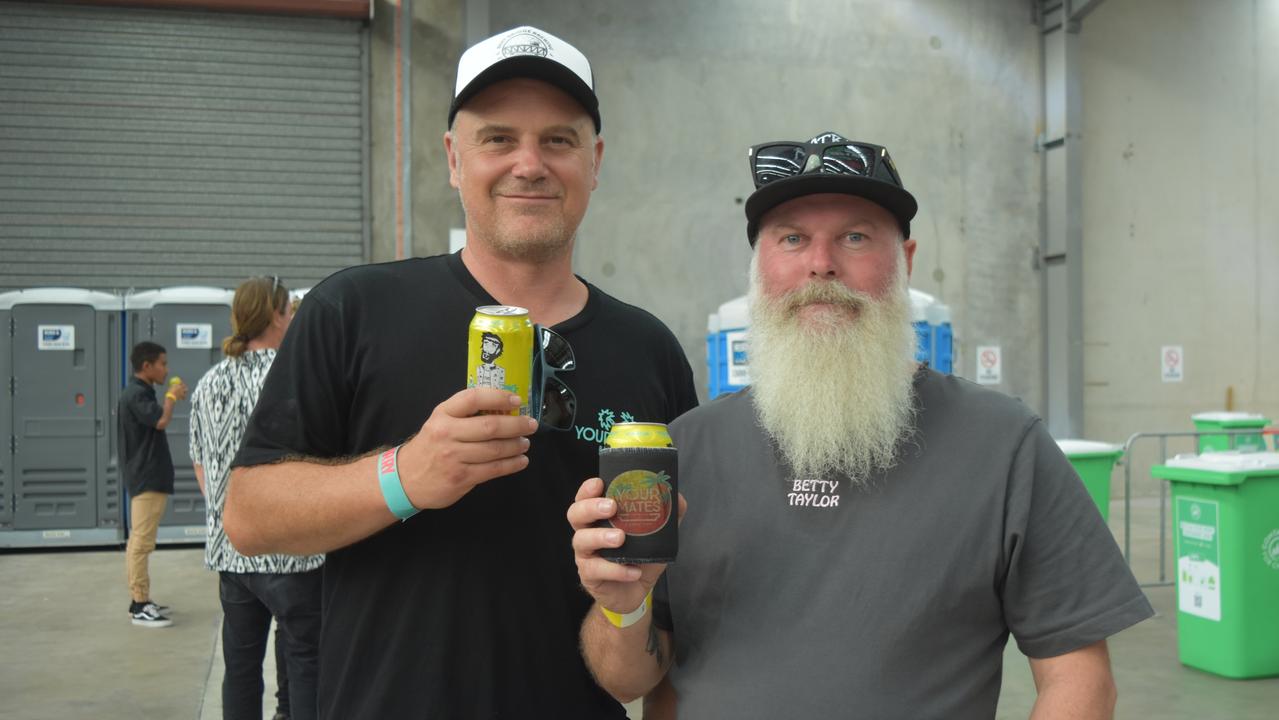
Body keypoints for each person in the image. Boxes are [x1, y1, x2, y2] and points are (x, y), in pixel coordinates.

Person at [569, 132, 1155, 718]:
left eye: (855, 236)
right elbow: (626, 681)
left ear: (906, 261)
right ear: (758, 267)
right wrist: (623, 605)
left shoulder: (1004, 446)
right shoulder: (686, 449)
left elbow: (1079, 680)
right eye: (792, 238)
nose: (821, 263)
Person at [222, 25, 698, 719]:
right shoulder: (352, 309)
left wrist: (626, 611)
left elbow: (657, 641)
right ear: (452, 158)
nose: (529, 164)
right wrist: (406, 475)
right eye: (497, 138)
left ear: (594, 161)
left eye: (558, 140)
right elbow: (247, 517)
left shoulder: (648, 349)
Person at [190, 276, 324, 720]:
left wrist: (232, 511)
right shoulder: (295, 378)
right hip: (294, 555)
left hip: (233, 554)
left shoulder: (209, 382)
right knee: (305, 662)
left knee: (241, 668)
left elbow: (202, 466)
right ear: (275, 315)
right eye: (288, 311)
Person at [119, 340, 187, 628]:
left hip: (150, 477)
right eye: (162, 364)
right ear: (146, 366)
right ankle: (140, 604)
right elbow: (160, 420)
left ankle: (143, 599)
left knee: (142, 541)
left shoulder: (141, 392)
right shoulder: (136, 394)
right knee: (141, 543)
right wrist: (171, 395)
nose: (166, 369)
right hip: (145, 478)